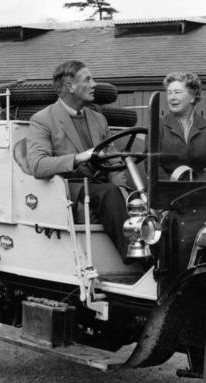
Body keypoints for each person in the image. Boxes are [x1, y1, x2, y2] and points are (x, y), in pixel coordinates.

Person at [26, 60, 130, 262]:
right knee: (108, 192)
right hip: (71, 188)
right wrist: (80, 157)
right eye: (88, 79)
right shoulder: (42, 120)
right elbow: (37, 165)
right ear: (69, 87)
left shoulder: (98, 119)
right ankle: (139, 258)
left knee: (138, 197)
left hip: (100, 188)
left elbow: (113, 161)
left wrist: (126, 192)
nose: (94, 85)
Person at [159, 72, 206, 181]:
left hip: (199, 191)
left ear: (192, 97)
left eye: (177, 92)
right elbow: (152, 165)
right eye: (169, 93)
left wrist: (196, 187)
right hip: (166, 191)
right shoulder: (158, 126)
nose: (172, 97)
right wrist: (170, 187)